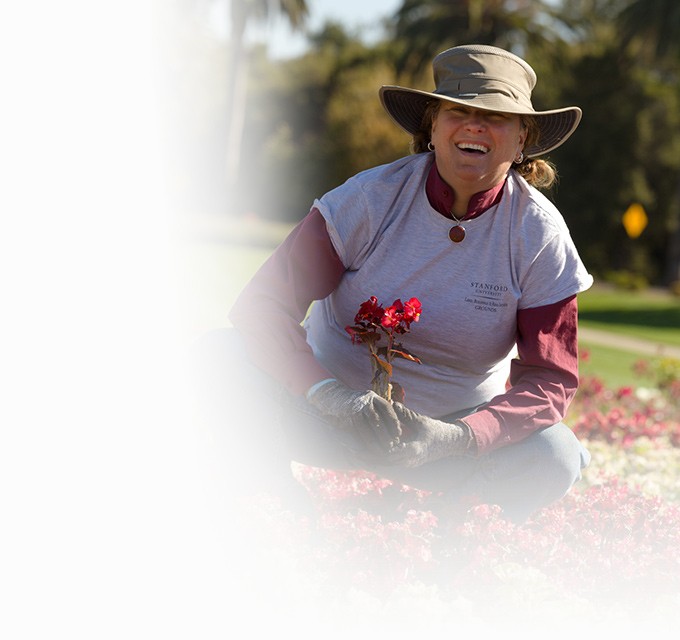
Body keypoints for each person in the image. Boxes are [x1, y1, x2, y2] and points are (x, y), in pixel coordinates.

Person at [200, 44, 593, 523]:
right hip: (324, 417)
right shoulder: (366, 200)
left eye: (496, 116)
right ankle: (286, 514)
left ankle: (441, 532)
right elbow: (262, 308)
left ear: (523, 138)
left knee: (556, 455)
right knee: (214, 358)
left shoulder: (539, 236)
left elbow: (551, 381)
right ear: (431, 125)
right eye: (458, 111)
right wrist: (329, 396)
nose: (475, 125)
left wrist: (459, 437)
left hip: (447, 444)